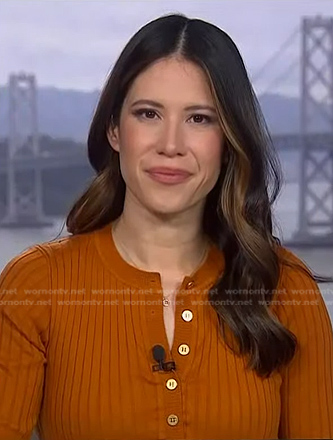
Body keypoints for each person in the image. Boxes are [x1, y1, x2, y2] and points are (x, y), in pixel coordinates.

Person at [0, 12, 332, 440]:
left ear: (228, 141)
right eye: (148, 114)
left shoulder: (287, 289)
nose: (171, 145)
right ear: (114, 130)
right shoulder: (35, 285)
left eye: (200, 119)